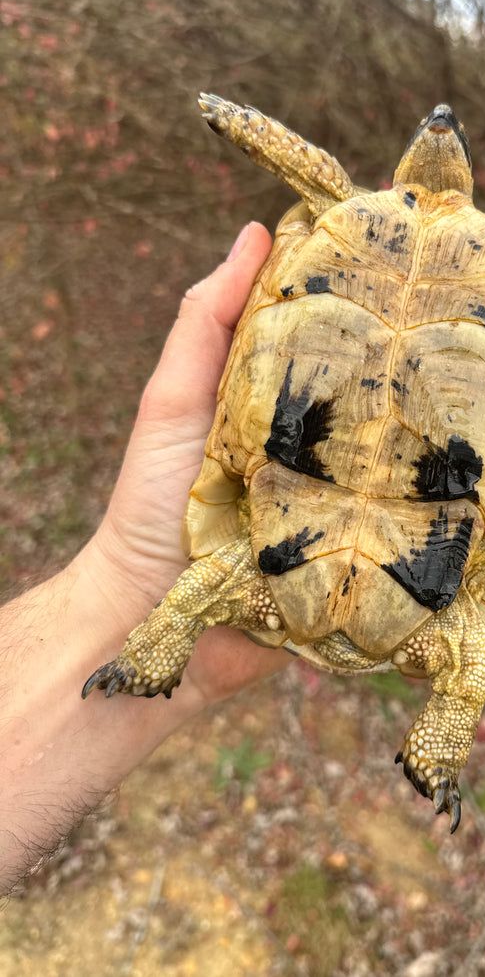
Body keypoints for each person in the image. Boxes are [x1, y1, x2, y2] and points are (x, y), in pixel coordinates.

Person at [0, 223, 289, 895]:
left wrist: (129, 590)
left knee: (201, 587)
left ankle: (157, 642)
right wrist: (130, 586)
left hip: (261, 543)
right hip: (399, 563)